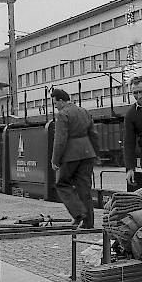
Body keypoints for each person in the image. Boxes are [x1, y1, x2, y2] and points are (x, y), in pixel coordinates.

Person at [50, 88, 99, 228]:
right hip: (87, 153)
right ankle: (88, 223)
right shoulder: (84, 111)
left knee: (62, 184)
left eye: (55, 104)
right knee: (84, 187)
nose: (55, 107)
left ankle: (78, 213)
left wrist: (55, 160)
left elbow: (60, 140)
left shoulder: (62, 114)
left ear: (61, 101)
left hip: (71, 155)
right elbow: (93, 134)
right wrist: (95, 153)